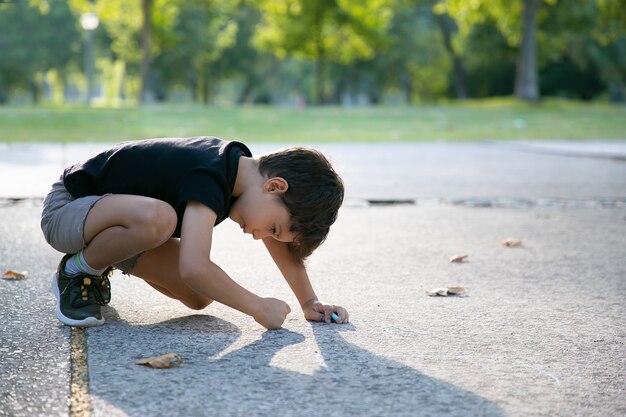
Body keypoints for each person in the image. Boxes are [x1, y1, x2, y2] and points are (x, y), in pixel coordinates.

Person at [40, 136, 348, 329]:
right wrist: (257, 307)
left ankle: (104, 256)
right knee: (161, 219)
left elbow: (280, 248)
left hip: (114, 222)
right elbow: (194, 267)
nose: (260, 235)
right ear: (275, 186)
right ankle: (77, 270)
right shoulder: (211, 173)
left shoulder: (243, 178)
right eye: (272, 228)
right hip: (69, 208)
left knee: (200, 296)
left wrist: (309, 303)